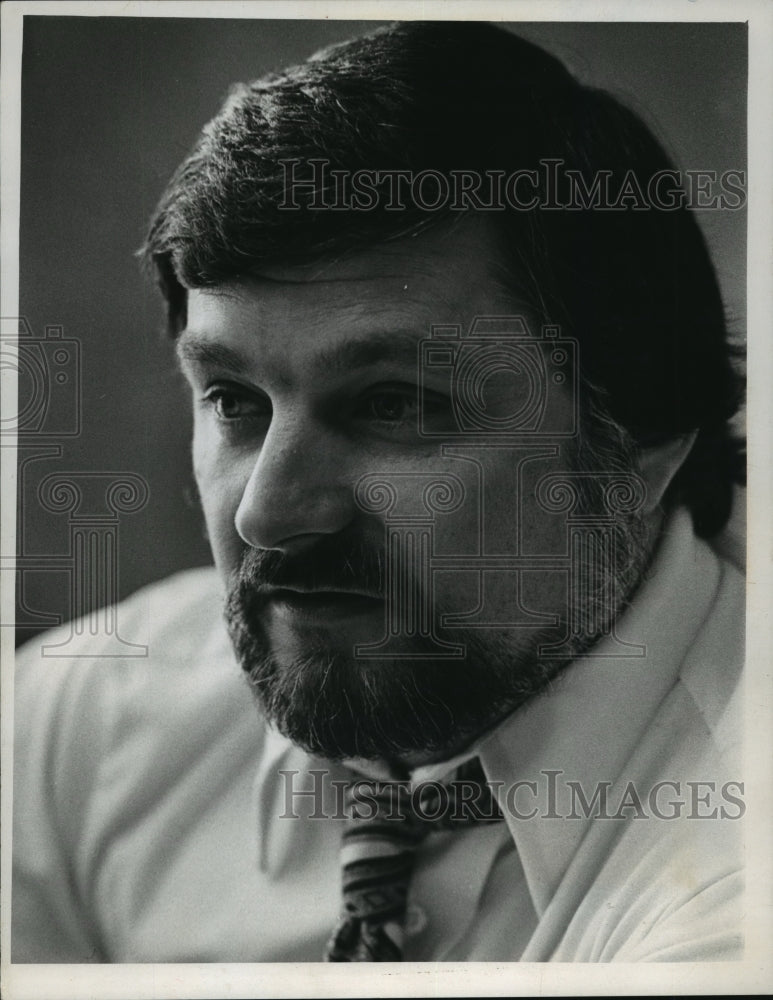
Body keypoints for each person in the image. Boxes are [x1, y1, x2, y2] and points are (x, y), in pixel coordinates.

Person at [13, 21, 745, 962]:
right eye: (233, 399)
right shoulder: (80, 727)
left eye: (394, 403)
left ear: (641, 439)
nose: (265, 512)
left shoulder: (730, 872)